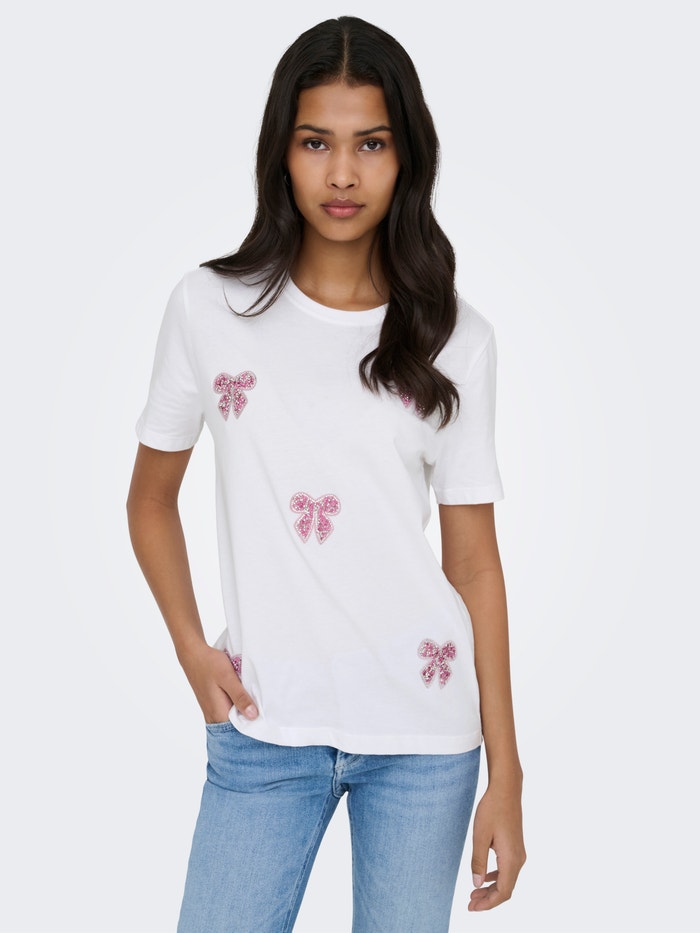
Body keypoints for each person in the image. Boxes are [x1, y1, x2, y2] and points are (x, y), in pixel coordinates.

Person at [127, 15, 525, 933]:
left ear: (406, 155)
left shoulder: (457, 339)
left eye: (370, 144)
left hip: (425, 738)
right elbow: (149, 499)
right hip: (265, 726)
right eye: (317, 142)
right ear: (282, 150)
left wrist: (506, 771)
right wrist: (190, 645)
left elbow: (474, 564)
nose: (342, 174)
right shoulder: (209, 308)